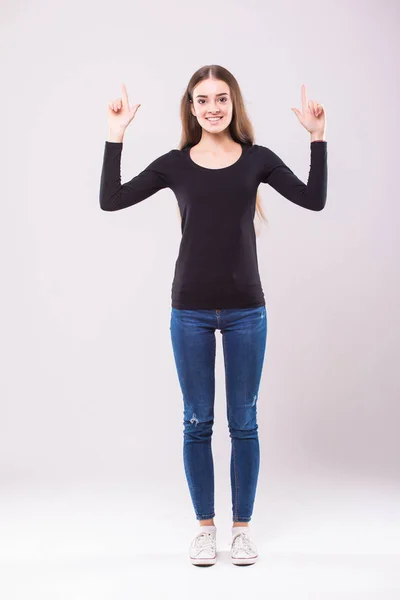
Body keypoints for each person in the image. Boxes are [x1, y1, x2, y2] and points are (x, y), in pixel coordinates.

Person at [99, 65, 328, 567]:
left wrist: (317, 138)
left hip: (248, 309)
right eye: (202, 100)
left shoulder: (257, 161)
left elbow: (314, 200)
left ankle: (241, 530)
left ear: (233, 103)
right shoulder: (175, 165)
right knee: (197, 421)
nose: (213, 108)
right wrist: (115, 136)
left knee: (243, 422)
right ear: (191, 107)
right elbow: (110, 200)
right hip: (190, 312)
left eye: (221, 99)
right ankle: (205, 529)